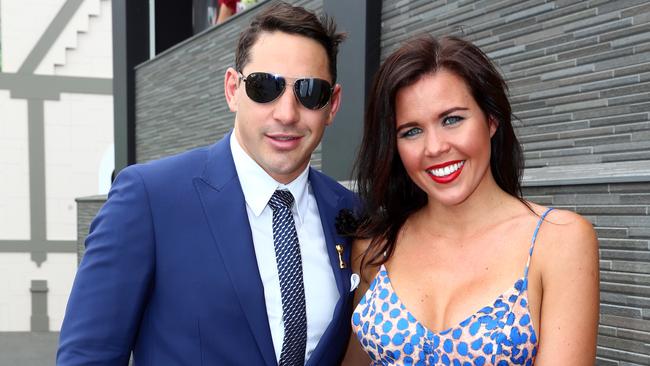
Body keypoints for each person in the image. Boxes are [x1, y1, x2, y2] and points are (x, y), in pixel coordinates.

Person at [57, 2, 357, 365]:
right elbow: (89, 356)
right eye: (265, 87)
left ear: (333, 104)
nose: (287, 113)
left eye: (310, 91)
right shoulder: (149, 199)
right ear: (233, 89)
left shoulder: (350, 213)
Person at [342, 35, 599, 365]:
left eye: (452, 119)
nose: (434, 147)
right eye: (411, 131)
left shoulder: (559, 240)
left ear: (491, 120)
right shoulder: (375, 247)